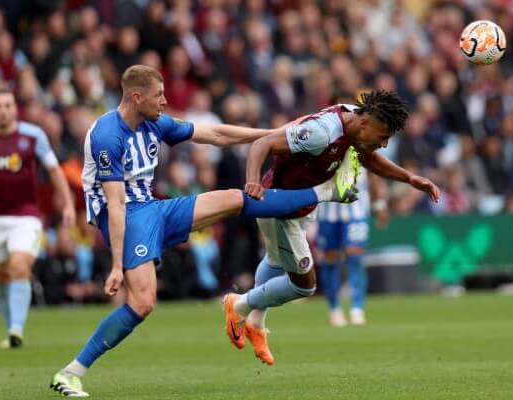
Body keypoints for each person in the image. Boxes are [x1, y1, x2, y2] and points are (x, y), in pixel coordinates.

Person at [49, 65, 358, 397]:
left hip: (153, 208)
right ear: (136, 97)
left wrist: (274, 133)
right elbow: (116, 205)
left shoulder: (154, 123)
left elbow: (215, 135)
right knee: (142, 303)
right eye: (158, 95)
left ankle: (326, 194)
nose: (165, 101)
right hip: (125, 216)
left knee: (234, 199)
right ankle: (70, 373)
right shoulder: (108, 136)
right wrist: (114, 266)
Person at [223, 90, 440, 365]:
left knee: (275, 259)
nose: (384, 144)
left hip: (298, 205)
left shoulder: (355, 120)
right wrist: (252, 181)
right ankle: (239, 304)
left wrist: (410, 178)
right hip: (280, 205)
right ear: (365, 123)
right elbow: (262, 144)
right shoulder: (322, 133)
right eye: (383, 136)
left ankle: (255, 321)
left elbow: (368, 157)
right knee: (304, 286)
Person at [0, 82, 75, 348]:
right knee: (1, 274)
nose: (2, 111)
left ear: (15, 108)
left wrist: (67, 205)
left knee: (19, 265)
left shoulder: (33, 136)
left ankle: (16, 330)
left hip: (26, 215)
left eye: (7, 106)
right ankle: (10, 326)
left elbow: (56, 172)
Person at [316, 171, 389, 327]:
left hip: (356, 210)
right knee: (330, 259)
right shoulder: (322, 146)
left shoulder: (361, 147)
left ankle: (357, 309)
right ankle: (334, 309)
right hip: (328, 211)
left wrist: (380, 205)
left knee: (355, 257)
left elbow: (373, 174)